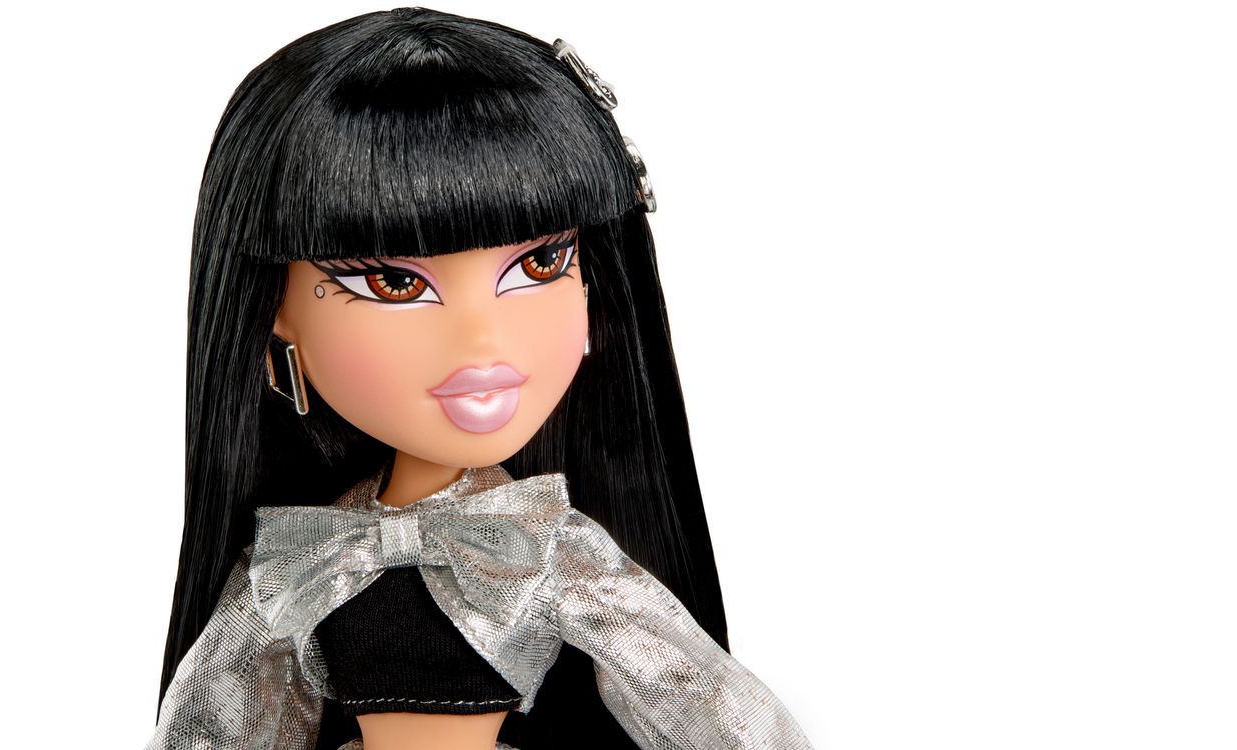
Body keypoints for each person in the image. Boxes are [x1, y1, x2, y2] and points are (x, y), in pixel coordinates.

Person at [144, 8, 812, 749]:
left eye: (540, 264)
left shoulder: (549, 549)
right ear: (276, 307)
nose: (481, 340)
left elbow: (702, 704)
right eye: (395, 283)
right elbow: (217, 727)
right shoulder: (301, 559)